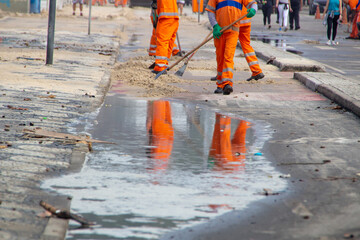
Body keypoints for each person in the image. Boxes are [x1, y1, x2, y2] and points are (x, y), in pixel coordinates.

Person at [206, 0, 258, 95]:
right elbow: (210, 11)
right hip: (220, 31)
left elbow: (253, 3)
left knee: (228, 56)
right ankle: (220, 84)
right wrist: (215, 25)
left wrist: (253, 10)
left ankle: (227, 84)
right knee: (220, 57)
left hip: (233, 31)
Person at [151, 0, 179, 75]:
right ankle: (164, 64)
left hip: (165, 18)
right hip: (174, 18)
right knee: (169, 43)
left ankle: (160, 67)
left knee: (162, 42)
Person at [239, 5, 265, 81]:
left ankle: (222, 74)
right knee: (246, 45)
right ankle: (256, 71)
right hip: (246, 20)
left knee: (228, 46)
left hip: (235, 21)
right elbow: (253, 3)